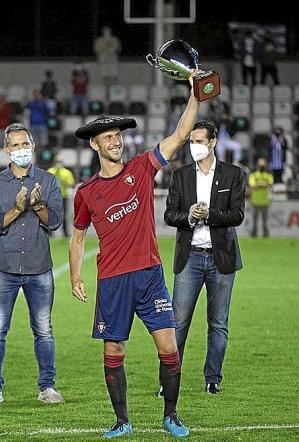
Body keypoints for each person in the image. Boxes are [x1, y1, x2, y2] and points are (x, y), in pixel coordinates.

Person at [69, 73, 199, 438]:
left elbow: (179, 137)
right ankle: (122, 420)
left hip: (149, 274)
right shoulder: (86, 192)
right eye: (108, 137)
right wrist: (75, 275)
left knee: (168, 346)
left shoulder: (142, 168)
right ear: (95, 145)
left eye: (118, 136)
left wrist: (195, 97)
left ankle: (171, 415)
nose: (115, 141)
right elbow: (77, 238)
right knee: (113, 348)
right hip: (112, 280)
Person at [0, 123, 64, 406]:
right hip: (4, 267)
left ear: (33, 146)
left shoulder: (48, 181)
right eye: (14, 146)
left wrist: (38, 206)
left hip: (39, 267)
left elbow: (55, 221)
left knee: (43, 330)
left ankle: (47, 386)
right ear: (7, 150)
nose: (20, 150)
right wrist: (17, 209)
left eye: (24, 144)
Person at [164, 119, 245, 398]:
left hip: (221, 259)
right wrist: (188, 216)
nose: (194, 147)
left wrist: (209, 214)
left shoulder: (233, 174)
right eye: (191, 142)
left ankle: (213, 379)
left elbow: (237, 215)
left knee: (218, 323)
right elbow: (168, 215)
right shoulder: (180, 175)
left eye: (199, 141)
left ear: (212, 142)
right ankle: (169, 380)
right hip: (190, 259)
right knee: (178, 324)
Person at [47, 154, 75, 238]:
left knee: (64, 216)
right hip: (52, 197)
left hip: (63, 196)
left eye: (59, 161)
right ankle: (50, 233)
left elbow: (71, 183)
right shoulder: (50, 171)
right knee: (51, 215)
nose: (58, 163)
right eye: (57, 161)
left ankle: (65, 233)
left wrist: (63, 180)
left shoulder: (66, 172)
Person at [248, 157, 273, 237]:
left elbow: (270, 184)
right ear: (257, 165)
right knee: (255, 220)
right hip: (255, 200)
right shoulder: (253, 175)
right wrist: (264, 184)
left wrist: (258, 184)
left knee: (265, 221)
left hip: (265, 201)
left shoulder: (268, 175)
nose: (262, 166)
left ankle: (265, 234)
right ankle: (254, 234)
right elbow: (252, 185)